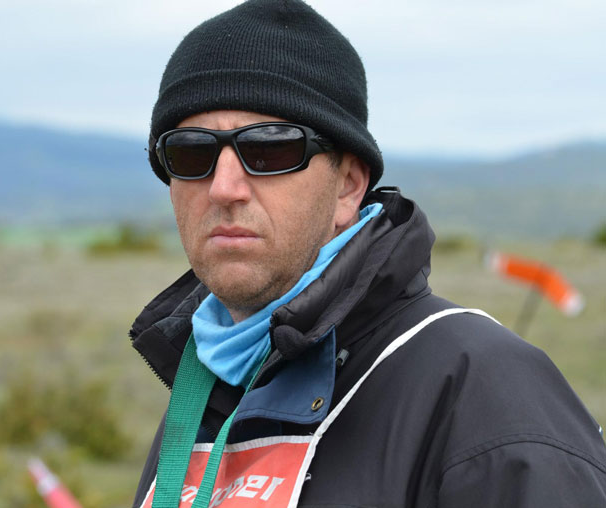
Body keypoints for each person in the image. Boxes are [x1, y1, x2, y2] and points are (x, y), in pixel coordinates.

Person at [128, 1, 606, 507]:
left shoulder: (487, 395)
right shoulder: (206, 384)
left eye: (269, 149)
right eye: (191, 152)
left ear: (348, 186)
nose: (224, 187)